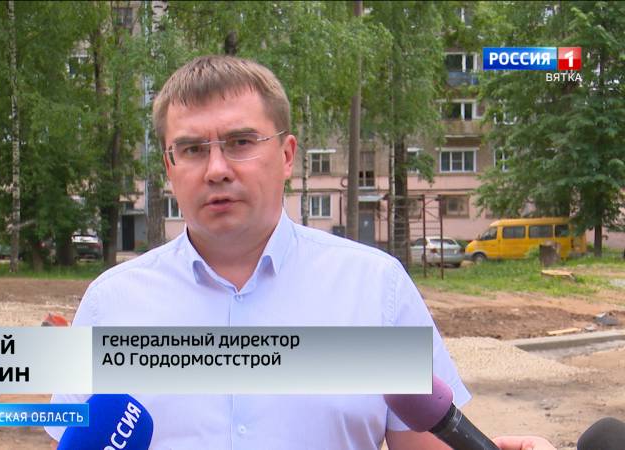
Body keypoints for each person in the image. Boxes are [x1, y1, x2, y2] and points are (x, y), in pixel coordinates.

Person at [48, 55, 556, 450]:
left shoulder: (374, 288)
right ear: (169, 166)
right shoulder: (110, 303)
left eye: (240, 142)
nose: (217, 169)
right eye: (193, 149)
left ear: (287, 155)